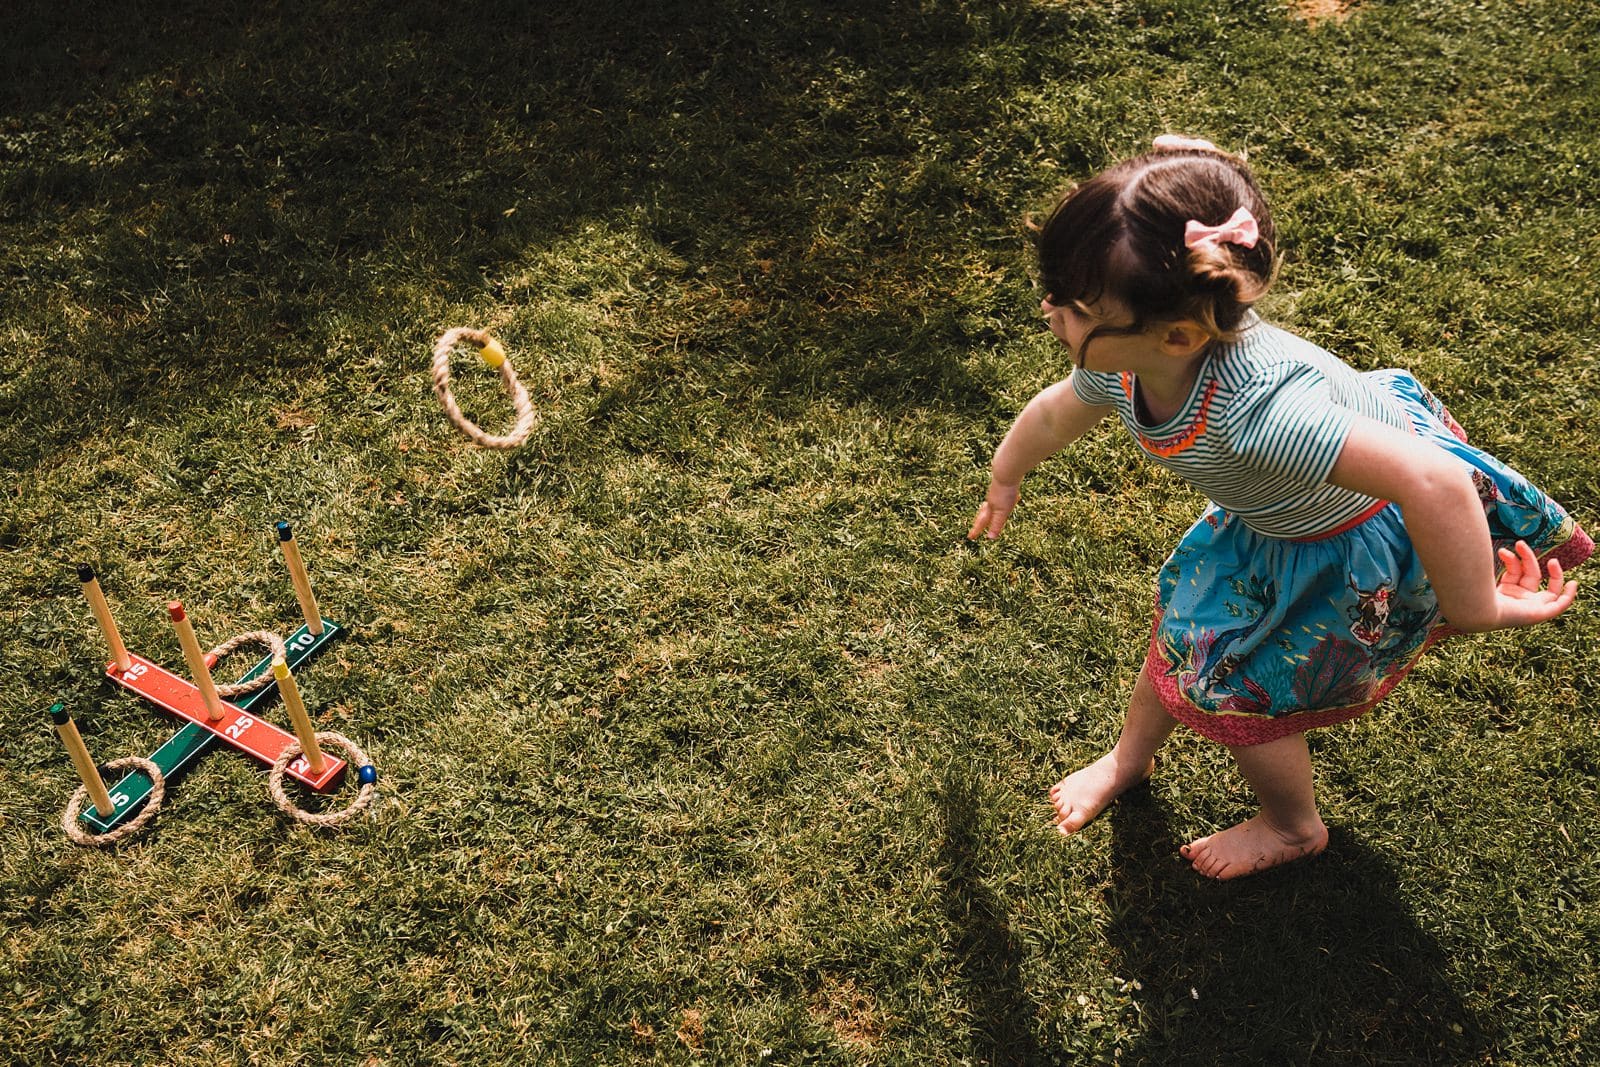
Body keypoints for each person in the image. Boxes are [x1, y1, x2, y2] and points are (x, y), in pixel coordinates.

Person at [967, 135, 1592, 879]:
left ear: (1177, 334)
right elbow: (1054, 413)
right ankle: (1129, 759)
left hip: (1344, 539)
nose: (1049, 312)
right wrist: (1007, 474)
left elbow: (1432, 482)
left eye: (1073, 308)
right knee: (1185, 638)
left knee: (1244, 695)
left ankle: (1293, 826)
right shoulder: (1131, 363)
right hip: (1280, 516)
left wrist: (1477, 604)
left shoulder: (1258, 413)